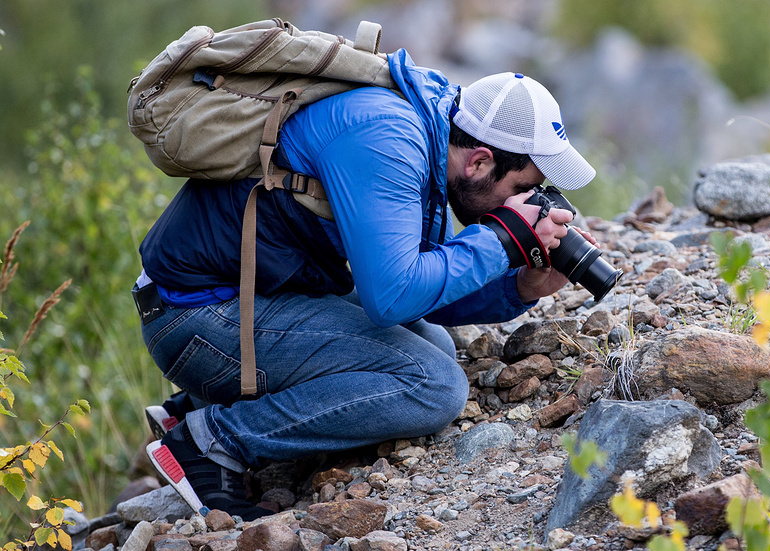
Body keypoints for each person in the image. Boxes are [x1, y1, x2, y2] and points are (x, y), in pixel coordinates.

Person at [132, 47, 598, 520]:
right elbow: (393, 297)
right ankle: (210, 442)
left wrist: (521, 286)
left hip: (242, 293)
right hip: (193, 316)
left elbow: (419, 289)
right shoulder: (388, 138)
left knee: (429, 340)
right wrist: (501, 239)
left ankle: (192, 402)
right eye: (524, 188)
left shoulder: (430, 131)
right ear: (479, 162)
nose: (528, 202)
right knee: (433, 385)